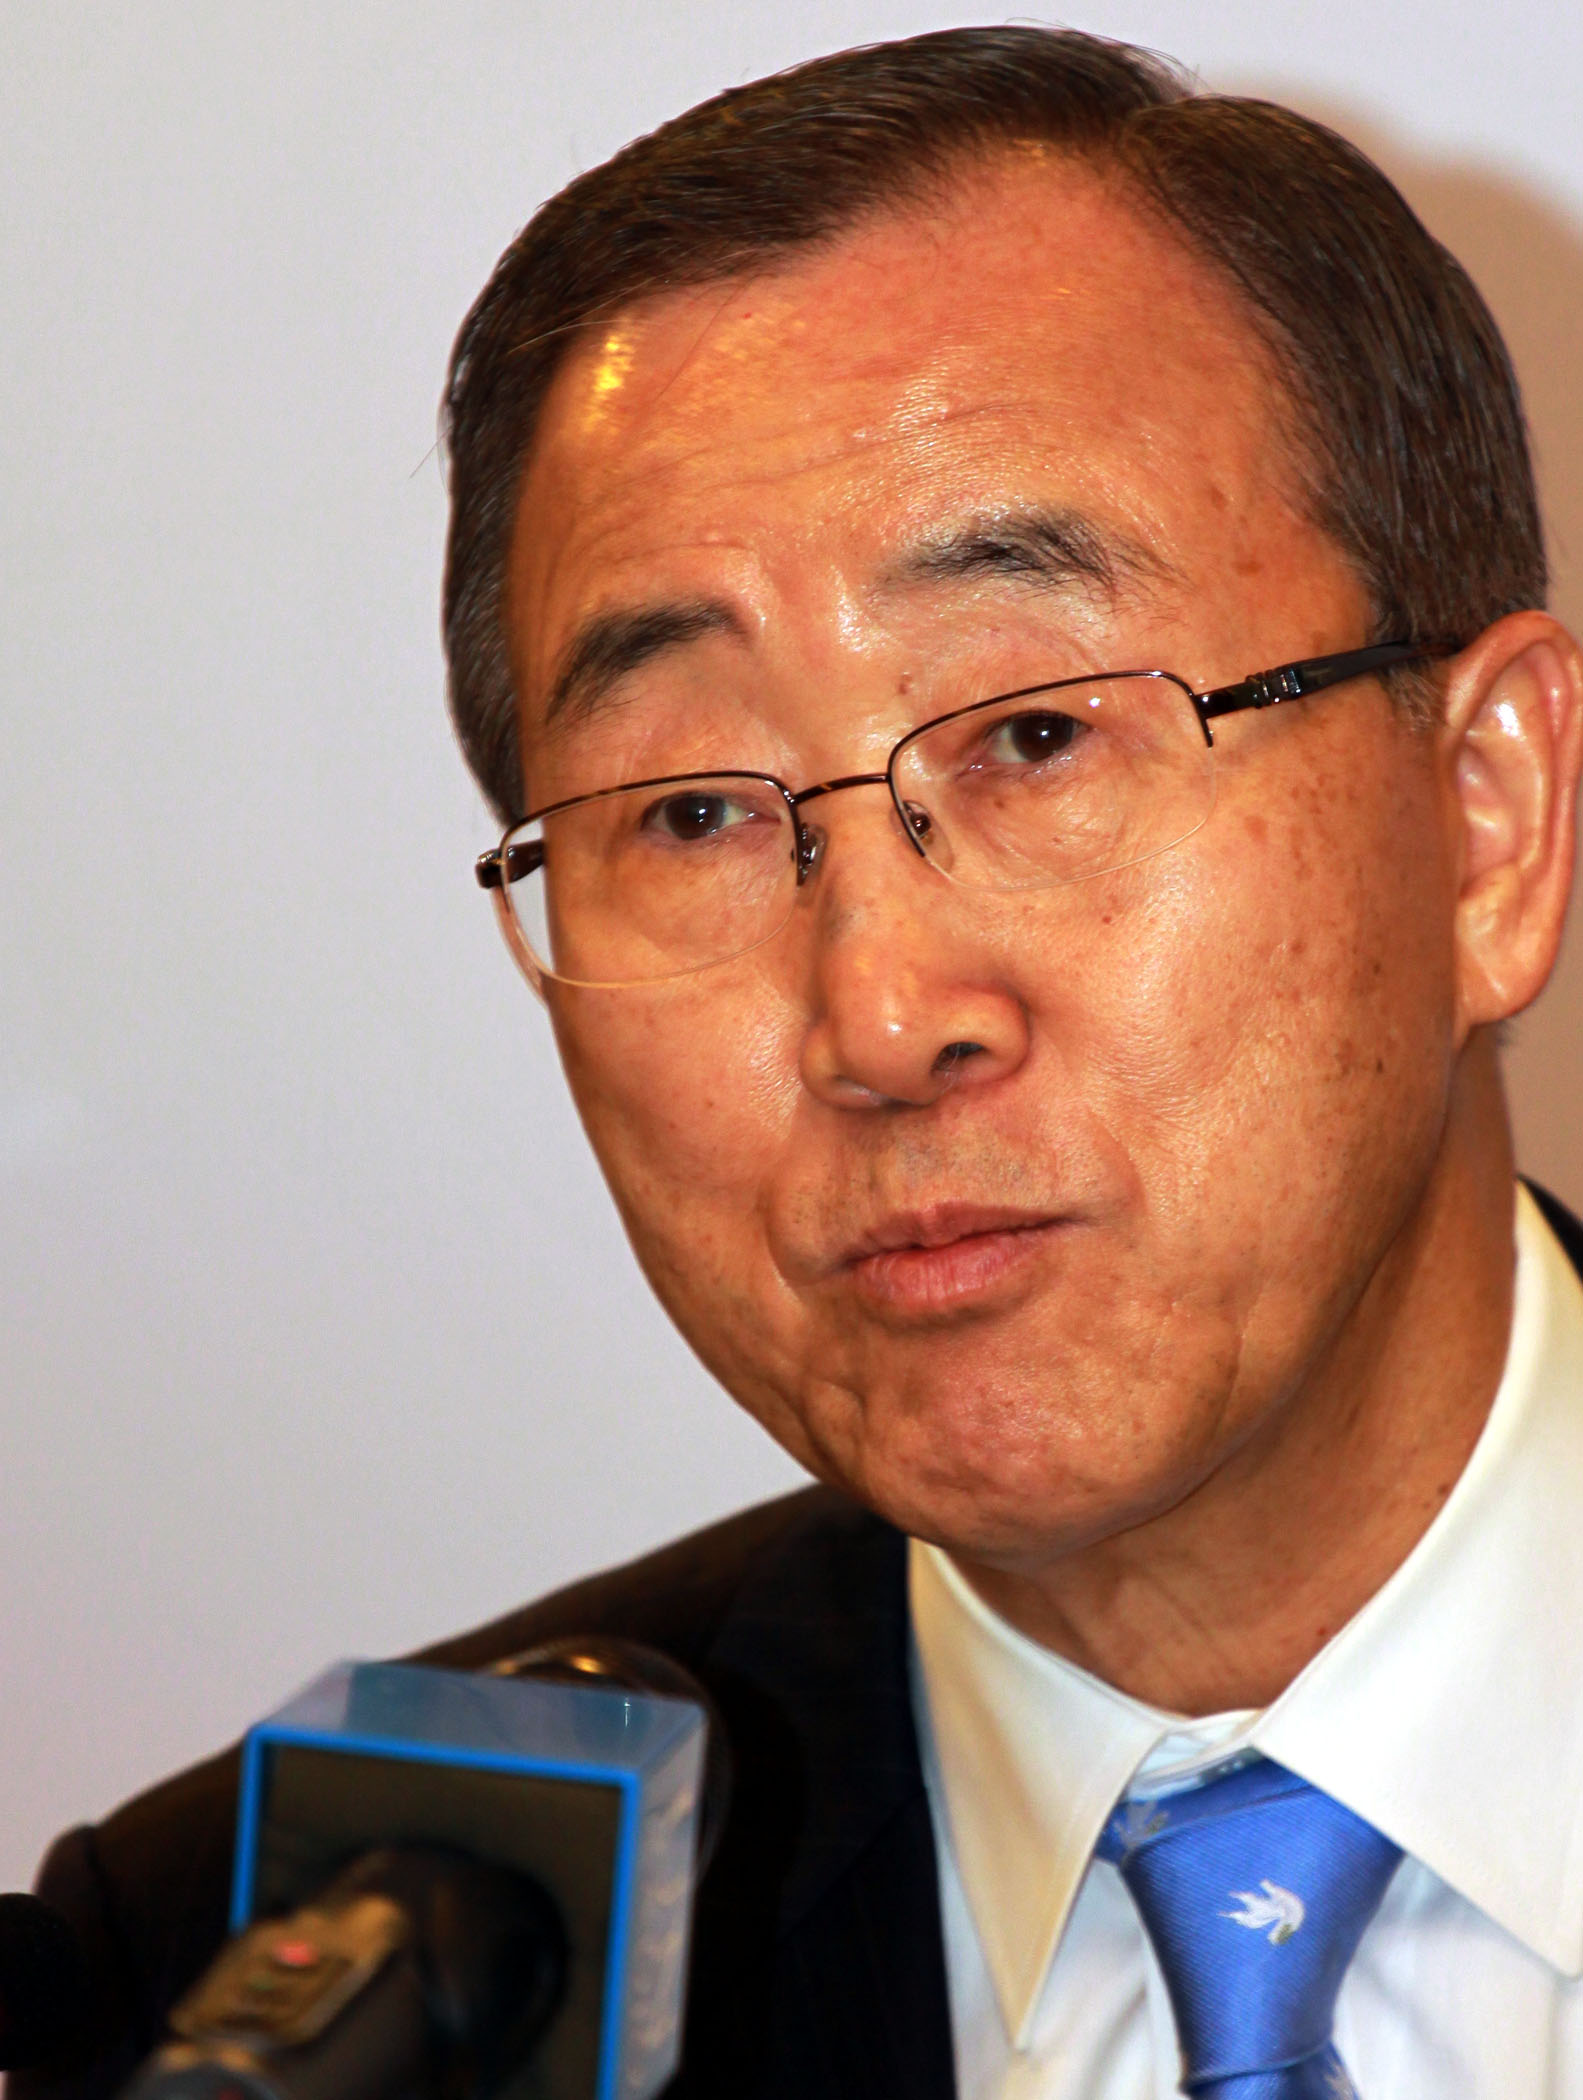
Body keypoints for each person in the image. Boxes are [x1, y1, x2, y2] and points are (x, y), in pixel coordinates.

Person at [15, 25, 1583, 2100]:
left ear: (1487, 820)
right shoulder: (313, 1987)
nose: (877, 1014)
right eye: (689, 816)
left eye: (1035, 736)